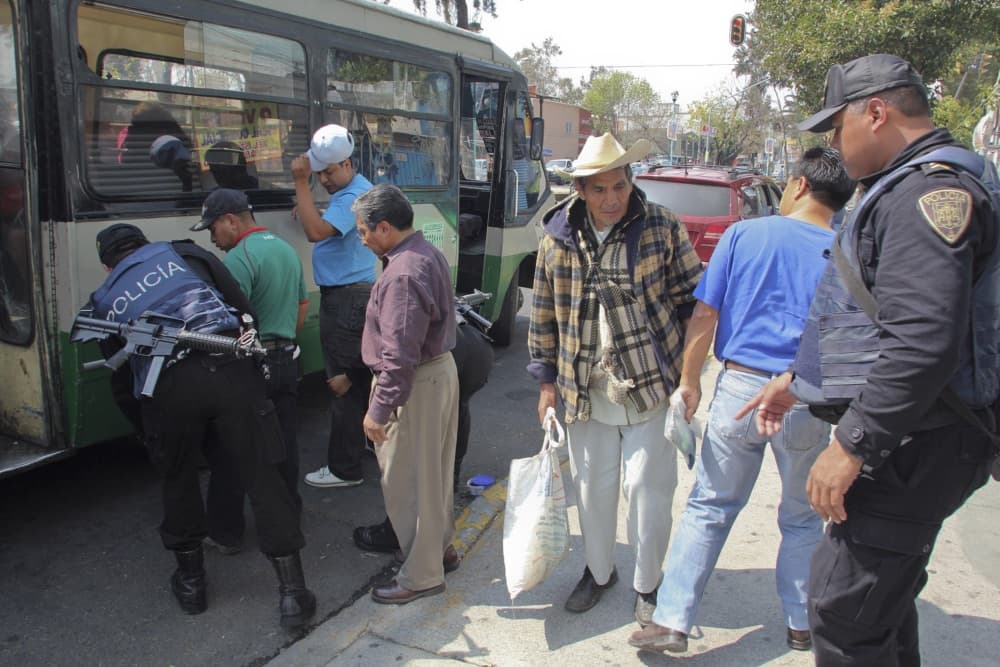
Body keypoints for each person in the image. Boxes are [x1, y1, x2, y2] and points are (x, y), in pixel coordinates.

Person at [738, 54, 998, 665]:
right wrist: (802, 383)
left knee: (841, 612)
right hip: (921, 433)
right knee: (878, 609)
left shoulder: (926, 194)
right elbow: (877, 321)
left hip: (917, 442)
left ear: (876, 112)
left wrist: (851, 444)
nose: (833, 143)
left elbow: (922, 340)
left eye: (837, 126)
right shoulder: (915, 185)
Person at [628, 147, 856, 654]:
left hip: (739, 388)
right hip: (805, 397)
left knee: (710, 504)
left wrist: (690, 382)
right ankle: (801, 623)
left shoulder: (744, 235)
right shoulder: (845, 250)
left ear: (797, 185)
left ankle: (671, 621)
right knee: (800, 516)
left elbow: (704, 316)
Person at [79, 224, 315, 628]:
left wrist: (149, 433)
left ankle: (192, 587)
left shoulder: (102, 301)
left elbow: (122, 382)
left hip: (165, 389)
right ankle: (293, 594)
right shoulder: (186, 254)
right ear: (146, 246)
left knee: (178, 479)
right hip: (227, 366)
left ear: (107, 265)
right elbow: (243, 309)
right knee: (263, 473)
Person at [527, 133, 703, 621]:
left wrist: (691, 379)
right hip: (583, 388)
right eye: (600, 189)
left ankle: (649, 584)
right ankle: (599, 572)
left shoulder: (661, 226)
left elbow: (693, 305)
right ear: (580, 190)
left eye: (620, 187)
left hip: (651, 385)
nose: (612, 199)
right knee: (592, 488)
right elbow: (543, 315)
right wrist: (545, 385)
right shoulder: (556, 239)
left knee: (648, 489)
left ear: (631, 182)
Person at [354, 183, 459, 605]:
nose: (361, 239)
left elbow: (399, 356)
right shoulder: (422, 253)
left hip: (415, 384)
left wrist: (378, 411)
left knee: (407, 483)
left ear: (383, 227)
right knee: (432, 477)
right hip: (434, 375)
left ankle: (422, 575)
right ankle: (439, 552)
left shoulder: (401, 274)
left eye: (363, 231)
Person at [189, 188, 310, 553]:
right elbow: (301, 309)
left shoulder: (239, 260)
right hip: (287, 358)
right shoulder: (285, 250)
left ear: (231, 221)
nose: (214, 240)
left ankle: (226, 532)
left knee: (231, 450)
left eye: (213, 229)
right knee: (284, 445)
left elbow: (228, 324)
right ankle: (290, 514)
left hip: (252, 365)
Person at [352, 310, 494, 555]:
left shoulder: (400, 281)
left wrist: (379, 408)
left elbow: (399, 356)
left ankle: (399, 534)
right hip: (471, 348)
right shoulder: (430, 271)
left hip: (445, 358)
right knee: (453, 420)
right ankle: (448, 486)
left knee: (409, 458)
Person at [291, 123, 376, 489]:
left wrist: (300, 184)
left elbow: (315, 233)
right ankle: (368, 442)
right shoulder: (353, 191)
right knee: (361, 377)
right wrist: (312, 206)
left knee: (343, 382)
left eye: (328, 172)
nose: (322, 179)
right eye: (317, 172)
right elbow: (322, 221)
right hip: (353, 295)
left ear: (347, 164)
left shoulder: (353, 197)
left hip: (346, 300)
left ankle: (344, 468)